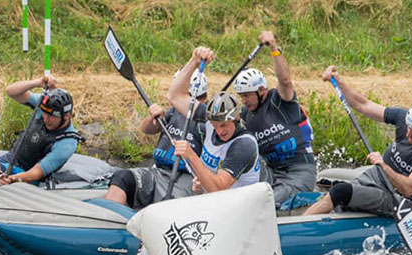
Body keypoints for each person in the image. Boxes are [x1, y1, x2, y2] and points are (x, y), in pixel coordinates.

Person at [303, 67, 412, 217]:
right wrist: (339, 82)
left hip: (395, 198)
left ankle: (292, 233)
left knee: (340, 192)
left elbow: (408, 189)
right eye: (409, 127)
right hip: (372, 177)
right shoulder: (403, 118)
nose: (408, 133)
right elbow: (363, 105)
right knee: (333, 195)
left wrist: (384, 166)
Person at [232, 31, 316, 206]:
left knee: (266, 201)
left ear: (261, 90)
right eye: (241, 96)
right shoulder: (246, 114)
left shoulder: (280, 101)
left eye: (247, 96)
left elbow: (285, 81)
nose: (244, 101)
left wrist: (273, 48)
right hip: (271, 172)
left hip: (299, 172)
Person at [104, 70, 208, 208]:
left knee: (168, 204)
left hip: (187, 180)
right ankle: (109, 222)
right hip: (159, 172)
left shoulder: (208, 120)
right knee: (122, 178)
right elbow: (147, 129)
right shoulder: (173, 111)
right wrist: (154, 118)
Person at [167, 47, 261, 194]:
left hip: (239, 207)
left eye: (224, 125)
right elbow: (174, 96)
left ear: (237, 117)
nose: (219, 131)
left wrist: (191, 155)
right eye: (215, 125)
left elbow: (218, 188)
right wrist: (194, 61)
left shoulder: (244, 145)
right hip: (215, 203)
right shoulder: (210, 119)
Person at [0, 75, 82, 187]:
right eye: (44, 113)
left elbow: (35, 174)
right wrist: (37, 83)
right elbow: (11, 91)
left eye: (51, 116)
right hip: (9, 159)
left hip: (25, 174)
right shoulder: (46, 107)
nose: (45, 118)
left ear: (66, 116)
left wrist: (11, 179)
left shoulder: (67, 143)